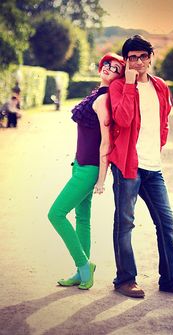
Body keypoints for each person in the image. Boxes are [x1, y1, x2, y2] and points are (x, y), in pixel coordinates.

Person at [108, 35, 173, 298]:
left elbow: (164, 120)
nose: (137, 62)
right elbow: (123, 120)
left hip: (153, 167)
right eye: (131, 58)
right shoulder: (118, 87)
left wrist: (157, 146)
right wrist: (127, 84)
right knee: (125, 223)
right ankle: (125, 279)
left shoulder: (160, 86)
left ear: (150, 58)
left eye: (142, 56)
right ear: (126, 61)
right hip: (128, 166)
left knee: (167, 223)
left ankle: (171, 279)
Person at [48, 53, 125, 290]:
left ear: (119, 77)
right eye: (107, 64)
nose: (108, 68)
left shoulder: (103, 101)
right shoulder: (97, 94)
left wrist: (101, 178)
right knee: (82, 218)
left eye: (115, 68)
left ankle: (84, 265)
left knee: (56, 214)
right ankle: (81, 273)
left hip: (89, 170)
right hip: (80, 165)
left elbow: (106, 142)